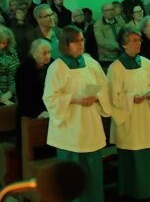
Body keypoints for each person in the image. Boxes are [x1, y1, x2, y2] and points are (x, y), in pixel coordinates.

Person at [42, 26, 110, 202]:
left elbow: (105, 88)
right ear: (65, 44)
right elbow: (50, 98)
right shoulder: (56, 67)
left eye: (82, 40)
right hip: (70, 129)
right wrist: (74, 99)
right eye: (75, 41)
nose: (81, 44)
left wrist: (97, 97)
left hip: (90, 125)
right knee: (73, 178)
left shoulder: (91, 63)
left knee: (93, 175)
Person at [107, 27, 150, 201]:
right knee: (132, 155)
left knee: (147, 151)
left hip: (146, 115)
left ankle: (147, 189)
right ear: (124, 44)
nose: (138, 43)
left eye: (139, 40)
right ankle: (133, 192)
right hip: (129, 119)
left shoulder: (146, 63)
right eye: (134, 40)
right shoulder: (116, 68)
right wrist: (131, 98)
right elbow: (113, 96)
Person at [15, 39, 52, 120]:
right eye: (44, 53)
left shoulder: (54, 66)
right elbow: (24, 97)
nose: (48, 56)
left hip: (50, 109)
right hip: (30, 113)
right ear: (34, 54)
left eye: (49, 52)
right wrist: (38, 112)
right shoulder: (24, 70)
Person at [93, 3, 121, 70]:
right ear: (103, 12)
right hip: (106, 59)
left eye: (112, 9)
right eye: (107, 10)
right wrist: (119, 46)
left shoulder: (120, 21)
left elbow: (125, 34)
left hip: (121, 57)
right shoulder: (98, 25)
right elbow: (101, 41)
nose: (110, 12)